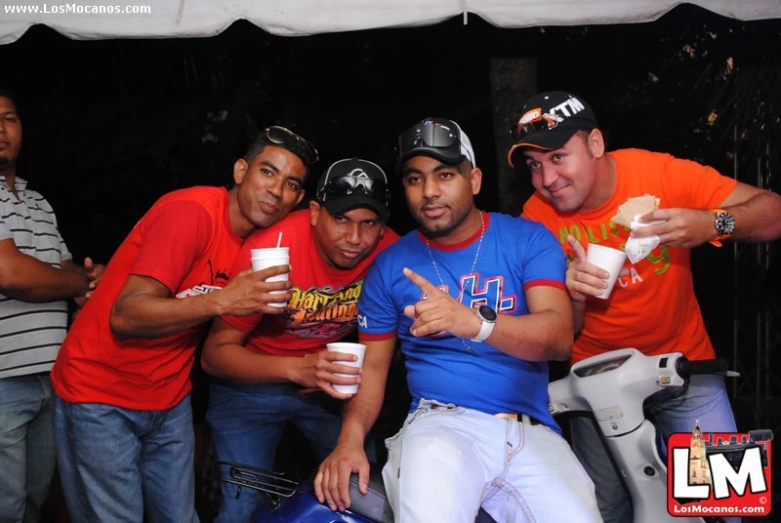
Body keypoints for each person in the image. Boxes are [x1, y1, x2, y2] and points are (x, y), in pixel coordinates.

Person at [510, 90, 781, 522]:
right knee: (601, 511)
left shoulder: (659, 173)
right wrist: (573, 297)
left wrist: (714, 222)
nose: (547, 179)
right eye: (534, 166)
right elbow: (557, 336)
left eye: (558, 157)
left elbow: (774, 212)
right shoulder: (535, 218)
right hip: (594, 382)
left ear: (595, 144)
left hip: (684, 368)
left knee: (726, 505)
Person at [314, 118, 601, 523]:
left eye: (445, 175)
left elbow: (557, 337)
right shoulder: (389, 265)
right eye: (415, 179)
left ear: (475, 179)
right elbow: (373, 370)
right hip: (439, 423)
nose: (429, 192)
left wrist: (474, 322)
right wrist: (349, 442)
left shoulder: (528, 239)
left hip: (529, 430)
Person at [49, 126, 318, 523]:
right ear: (241, 170)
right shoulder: (192, 213)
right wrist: (225, 299)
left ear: (298, 198)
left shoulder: (260, 242)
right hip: (100, 394)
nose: (276, 190)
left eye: (291, 184)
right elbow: (125, 316)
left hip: (169, 396)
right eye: (267, 172)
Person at [201, 157, 399, 522]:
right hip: (250, 383)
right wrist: (299, 369)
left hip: (328, 390)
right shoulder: (272, 249)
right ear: (313, 212)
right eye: (341, 219)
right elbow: (215, 355)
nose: (355, 239)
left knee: (362, 493)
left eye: (369, 223)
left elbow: (380, 356)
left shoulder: (391, 254)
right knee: (242, 505)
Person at [0, 88, 104, 523]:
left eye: (9, 118)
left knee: (34, 501)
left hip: (51, 377)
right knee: (5, 507)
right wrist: (77, 280)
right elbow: (14, 275)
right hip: (4, 381)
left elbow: (61, 268)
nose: (0, 129)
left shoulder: (38, 201)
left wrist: (88, 279)